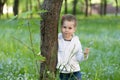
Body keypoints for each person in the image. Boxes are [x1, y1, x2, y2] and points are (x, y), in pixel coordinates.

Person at [56, 14, 90, 80]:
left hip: (74, 71)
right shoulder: (58, 39)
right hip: (62, 72)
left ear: (74, 29)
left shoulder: (76, 41)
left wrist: (85, 54)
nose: (66, 30)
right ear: (61, 27)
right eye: (64, 27)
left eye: (70, 28)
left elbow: (79, 57)